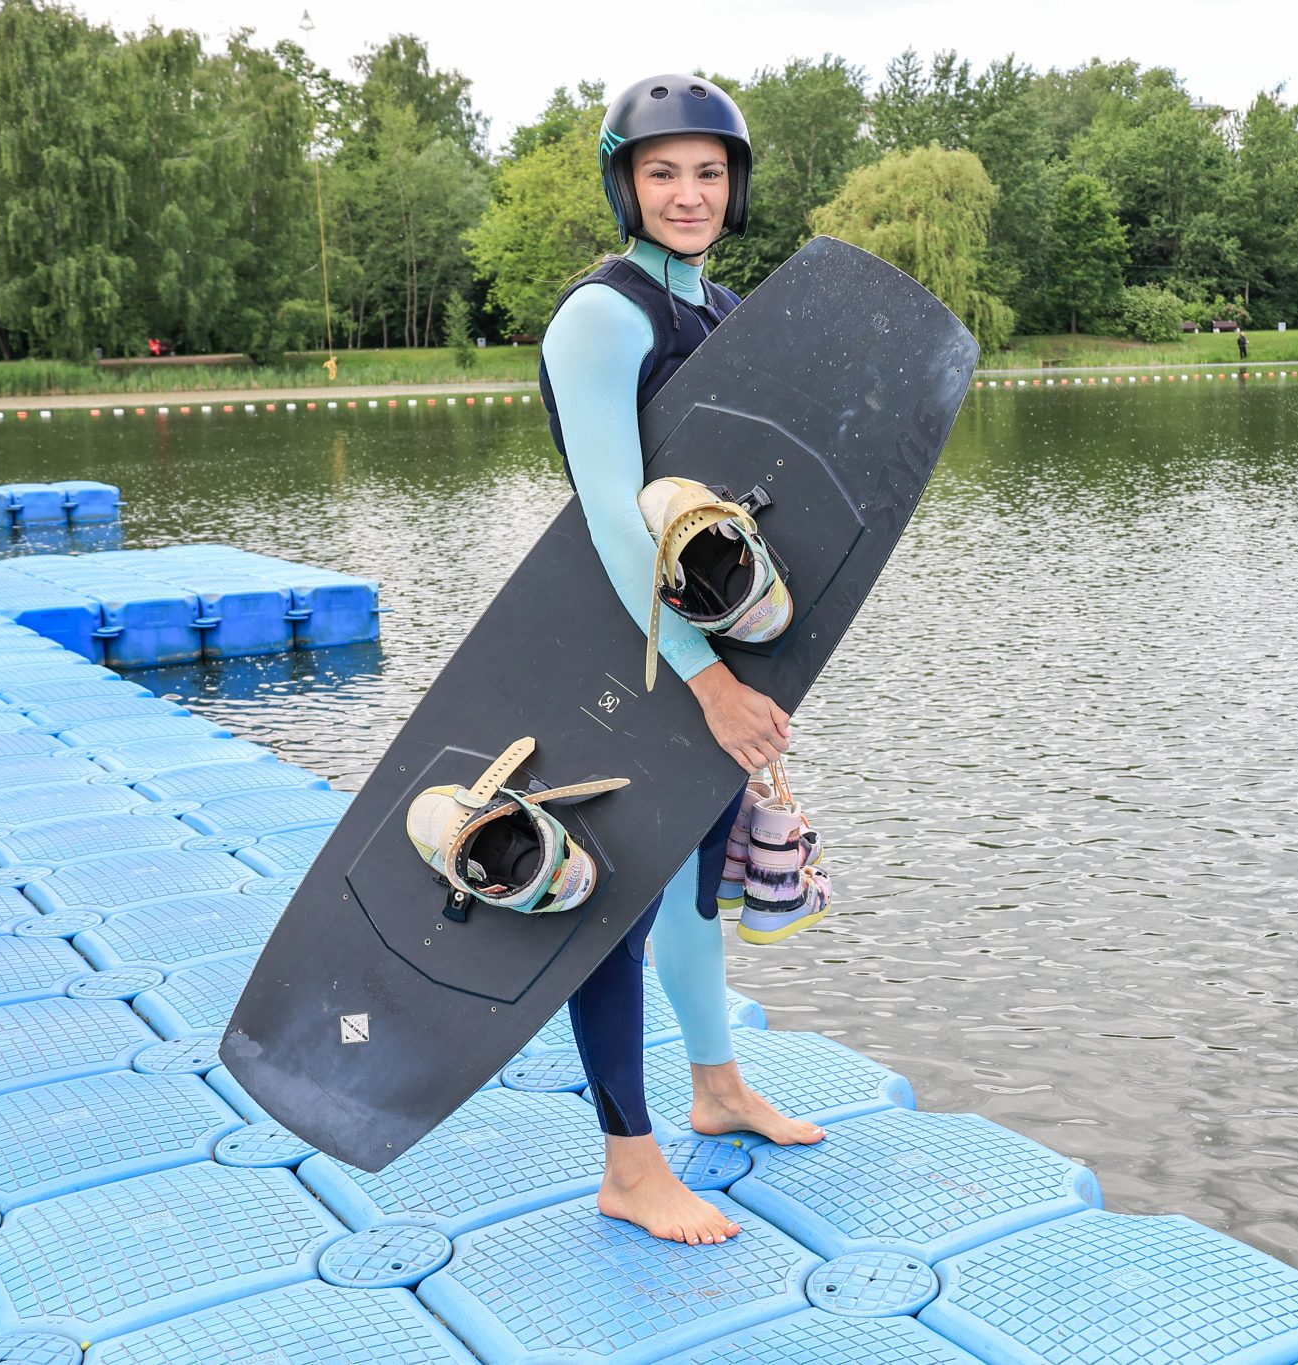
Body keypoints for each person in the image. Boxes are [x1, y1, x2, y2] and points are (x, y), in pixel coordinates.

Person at [538, 73, 824, 1246]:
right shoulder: (601, 315)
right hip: (629, 651)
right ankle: (626, 1163)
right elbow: (615, 514)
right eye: (662, 171)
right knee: (608, 904)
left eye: (709, 171)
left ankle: (714, 1088)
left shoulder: (723, 306)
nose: (688, 193)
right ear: (624, 181)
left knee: (697, 880)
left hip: (702, 646)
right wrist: (710, 681)